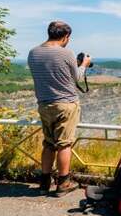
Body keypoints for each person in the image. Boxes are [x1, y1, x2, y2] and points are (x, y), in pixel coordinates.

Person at [27, 21, 91, 197]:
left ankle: (44, 183)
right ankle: (63, 183)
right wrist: (83, 64)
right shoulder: (66, 53)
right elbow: (77, 77)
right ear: (66, 36)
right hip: (66, 105)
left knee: (48, 143)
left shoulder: (33, 53)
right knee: (64, 144)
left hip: (44, 104)